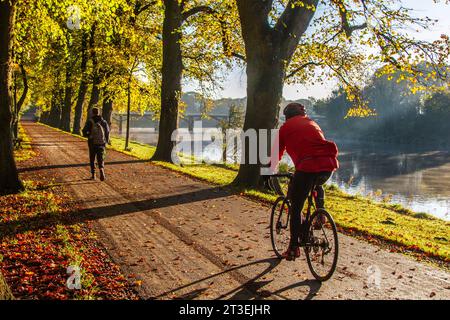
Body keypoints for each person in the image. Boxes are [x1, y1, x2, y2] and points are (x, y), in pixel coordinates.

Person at [269, 103, 339, 261]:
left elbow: (276, 153)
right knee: (316, 184)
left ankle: (293, 248)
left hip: (307, 167)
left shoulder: (285, 128)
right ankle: (320, 213)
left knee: (296, 207)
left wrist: (269, 170)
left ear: (287, 116)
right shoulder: (312, 123)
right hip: (327, 166)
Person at [82, 107, 110, 181]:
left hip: (92, 143)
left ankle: (93, 175)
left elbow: (84, 131)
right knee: (100, 157)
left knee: (92, 158)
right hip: (101, 143)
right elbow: (107, 132)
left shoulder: (90, 121)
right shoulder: (104, 122)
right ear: (99, 113)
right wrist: (106, 141)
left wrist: (88, 136)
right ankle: (101, 170)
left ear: (92, 113)